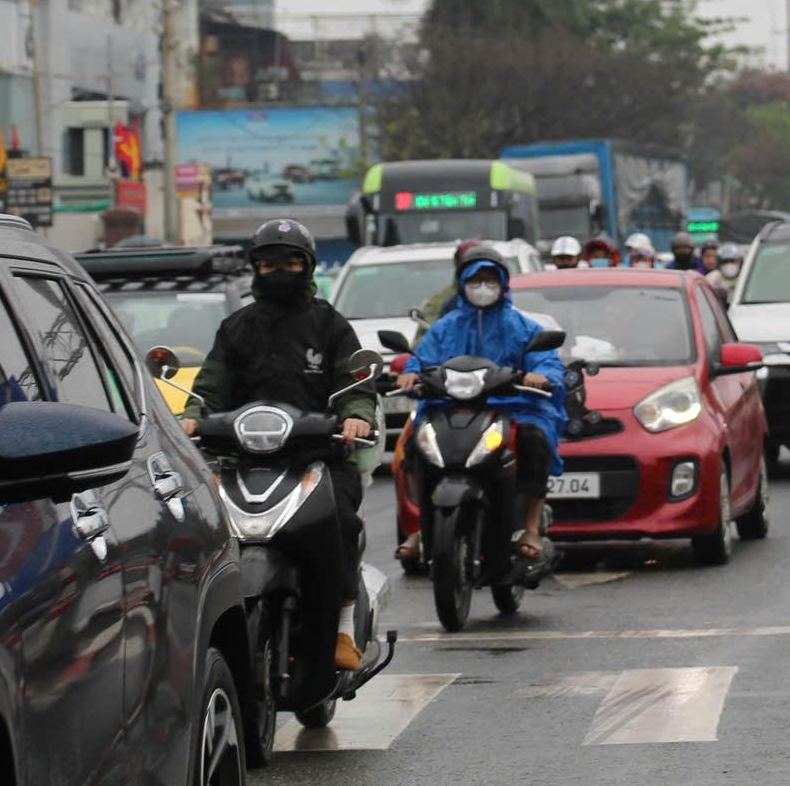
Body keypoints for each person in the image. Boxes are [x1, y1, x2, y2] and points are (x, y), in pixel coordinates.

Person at [184, 220, 377, 669]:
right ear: (256, 268)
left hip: (317, 458)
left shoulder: (329, 324)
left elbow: (354, 382)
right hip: (241, 460)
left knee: (343, 522)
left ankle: (342, 629)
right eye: (271, 262)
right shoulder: (236, 327)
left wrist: (355, 416)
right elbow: (210, 387)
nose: (281, 270)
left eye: (291, 261)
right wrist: (193, 418)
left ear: (307, 267)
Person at [399, 245, 568, 563]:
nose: (483, 287)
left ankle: (531, 526)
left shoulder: (521, 326)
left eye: (490, 280)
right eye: (475, 281)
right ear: (462, 284)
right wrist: (410, 374)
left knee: (534, 439)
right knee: (414, 447)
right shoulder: (445, 326)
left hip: (512, 406)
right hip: (451, 407)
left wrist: (540, 376)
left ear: (503, 284)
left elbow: (546, 361)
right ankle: (421, 525)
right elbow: (422, 358)